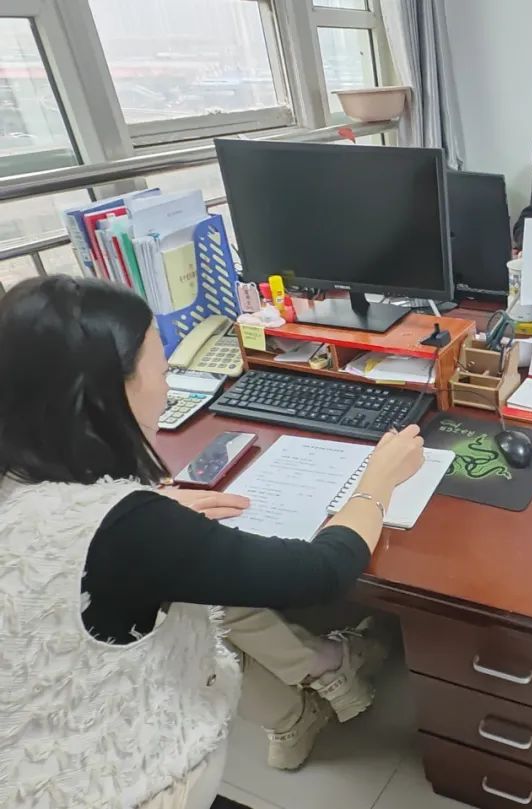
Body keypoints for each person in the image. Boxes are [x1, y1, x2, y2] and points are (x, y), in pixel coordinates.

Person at [0, 276, 424, 809]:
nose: (168, 390)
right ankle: (329, 670)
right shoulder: (132, 530)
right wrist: (379, 479)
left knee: (218, 600)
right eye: (163, 373)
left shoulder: (27, 482)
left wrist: (143, 514)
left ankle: (311, 691)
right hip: (121, 786)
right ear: (109, 394)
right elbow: (324, 571)